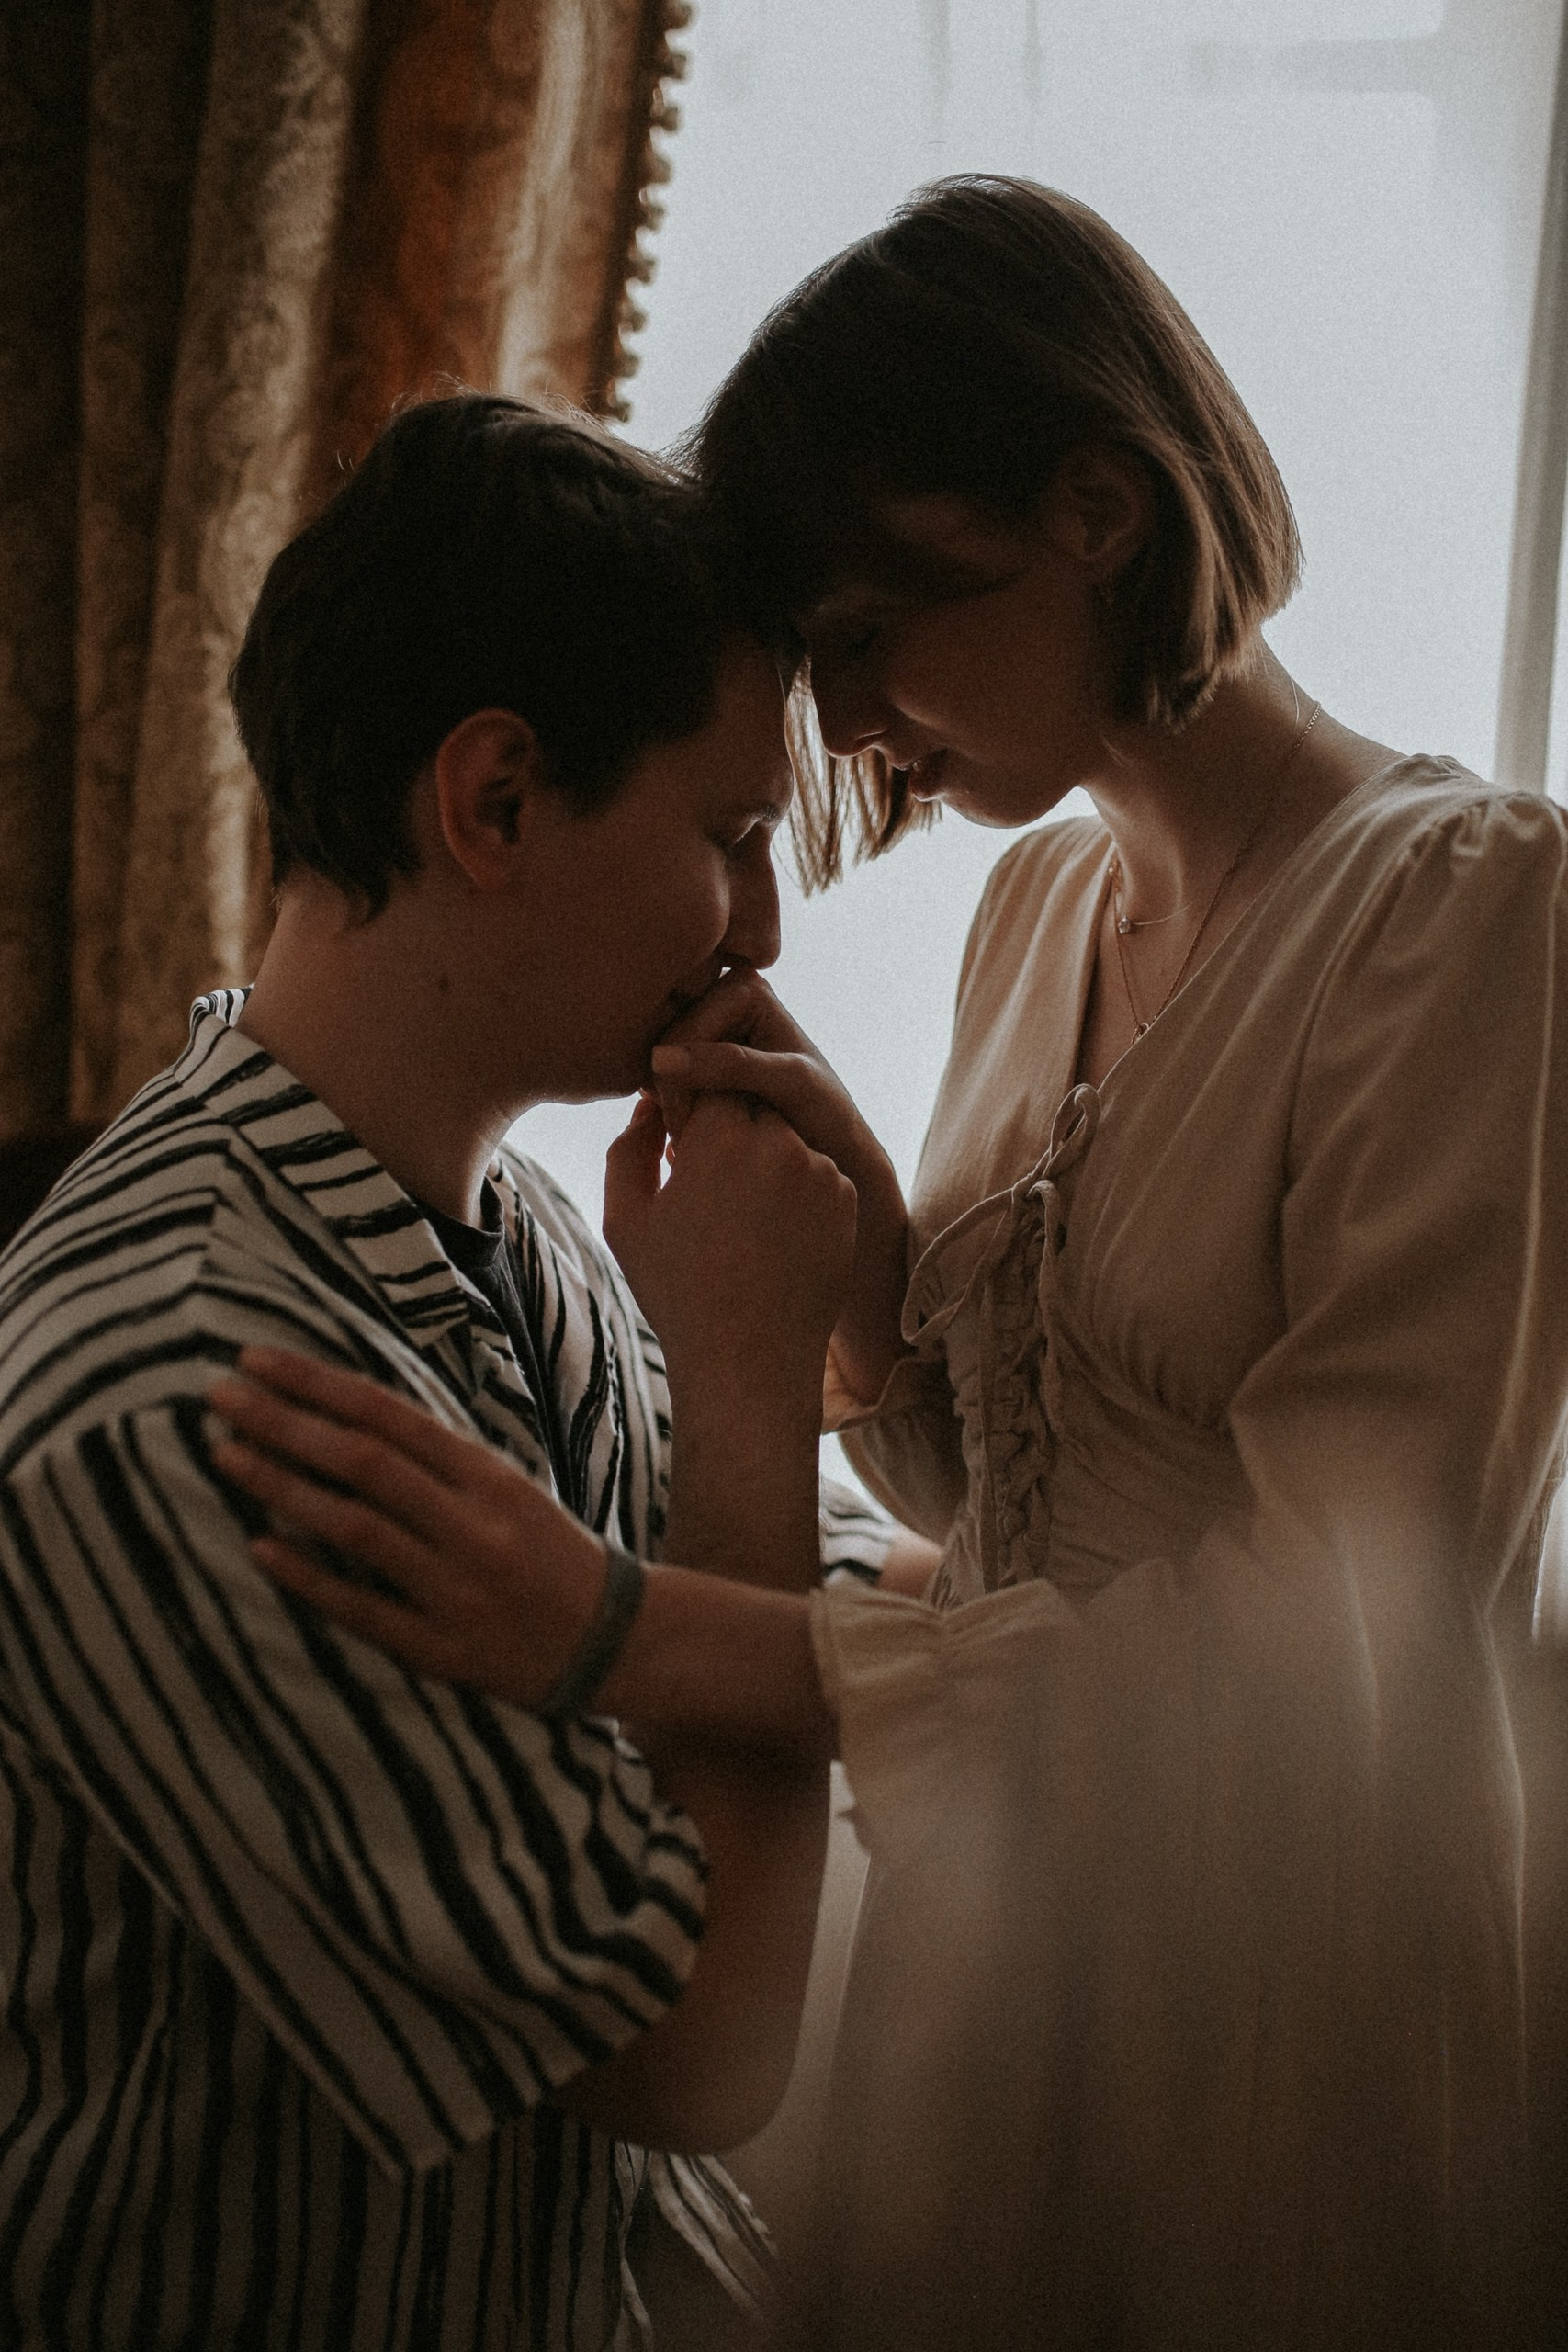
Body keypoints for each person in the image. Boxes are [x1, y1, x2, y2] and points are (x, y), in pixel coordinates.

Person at [207, 181, 1568, 2348]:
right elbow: (1009, 1494)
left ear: (1093, 510)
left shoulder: (1464, 909)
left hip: (1275, 1991)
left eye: (860, 628)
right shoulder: (1037, 916)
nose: (835, 721)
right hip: (1003, 1945)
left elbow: (1330, 1650)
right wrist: (862, 1275)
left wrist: (638, 1629)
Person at [0, 390, 912, 2351]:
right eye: (734, 837)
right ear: (493, 800)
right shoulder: (186, 1399)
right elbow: (695, 2053)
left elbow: (864, 1611)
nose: (763, 929)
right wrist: (752, 1386)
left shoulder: (527, 1230)